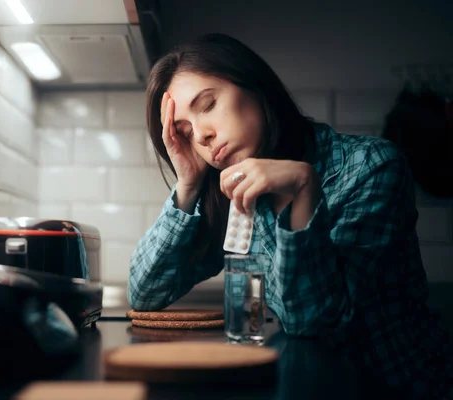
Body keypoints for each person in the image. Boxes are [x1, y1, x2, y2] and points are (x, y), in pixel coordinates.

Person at [127, 33, 453, 398]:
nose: (201, 135)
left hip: (405, 387)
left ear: (255, 85)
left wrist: (300, 191)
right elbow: (144, 293)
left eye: (207, 104)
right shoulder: (230, 198)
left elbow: (315, 325)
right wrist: (187, 184)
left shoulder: (372, 167)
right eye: (184, 133)